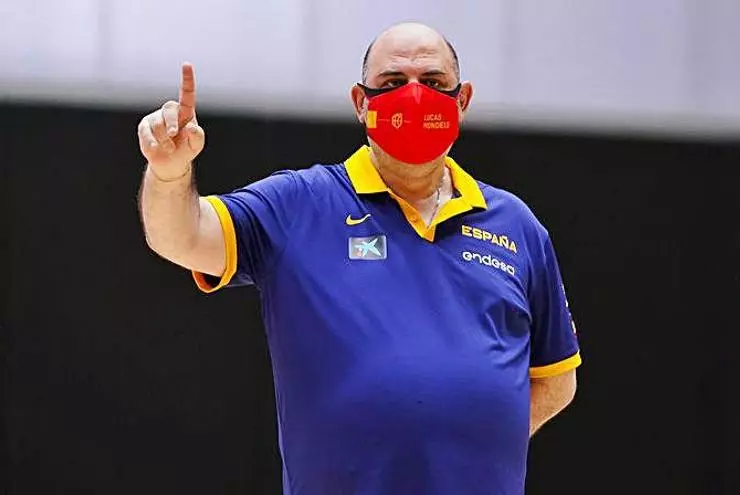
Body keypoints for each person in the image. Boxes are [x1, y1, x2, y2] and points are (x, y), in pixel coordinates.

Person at [138, 22, 580, 495]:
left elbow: (557, 380)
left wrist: (468, 443)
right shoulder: (300, 204)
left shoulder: (516, 226)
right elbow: (181, 237)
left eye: (433, 82)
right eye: (392, 82)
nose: (414, 96)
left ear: (462, 100)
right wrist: (169, 175)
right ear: (361, 102)